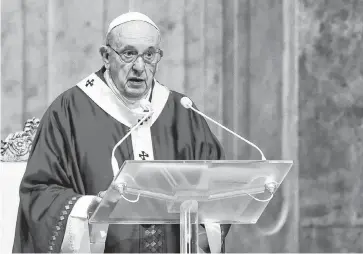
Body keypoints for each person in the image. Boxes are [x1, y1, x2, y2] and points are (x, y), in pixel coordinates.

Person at [12, 12, 230, 253]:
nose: (139, 66)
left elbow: (216, 189)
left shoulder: (181, 111)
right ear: (106, 56)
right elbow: (38, 194)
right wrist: (91, 209)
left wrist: (201, 218)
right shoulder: (69, 111)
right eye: (128, 53)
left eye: (149, 55)